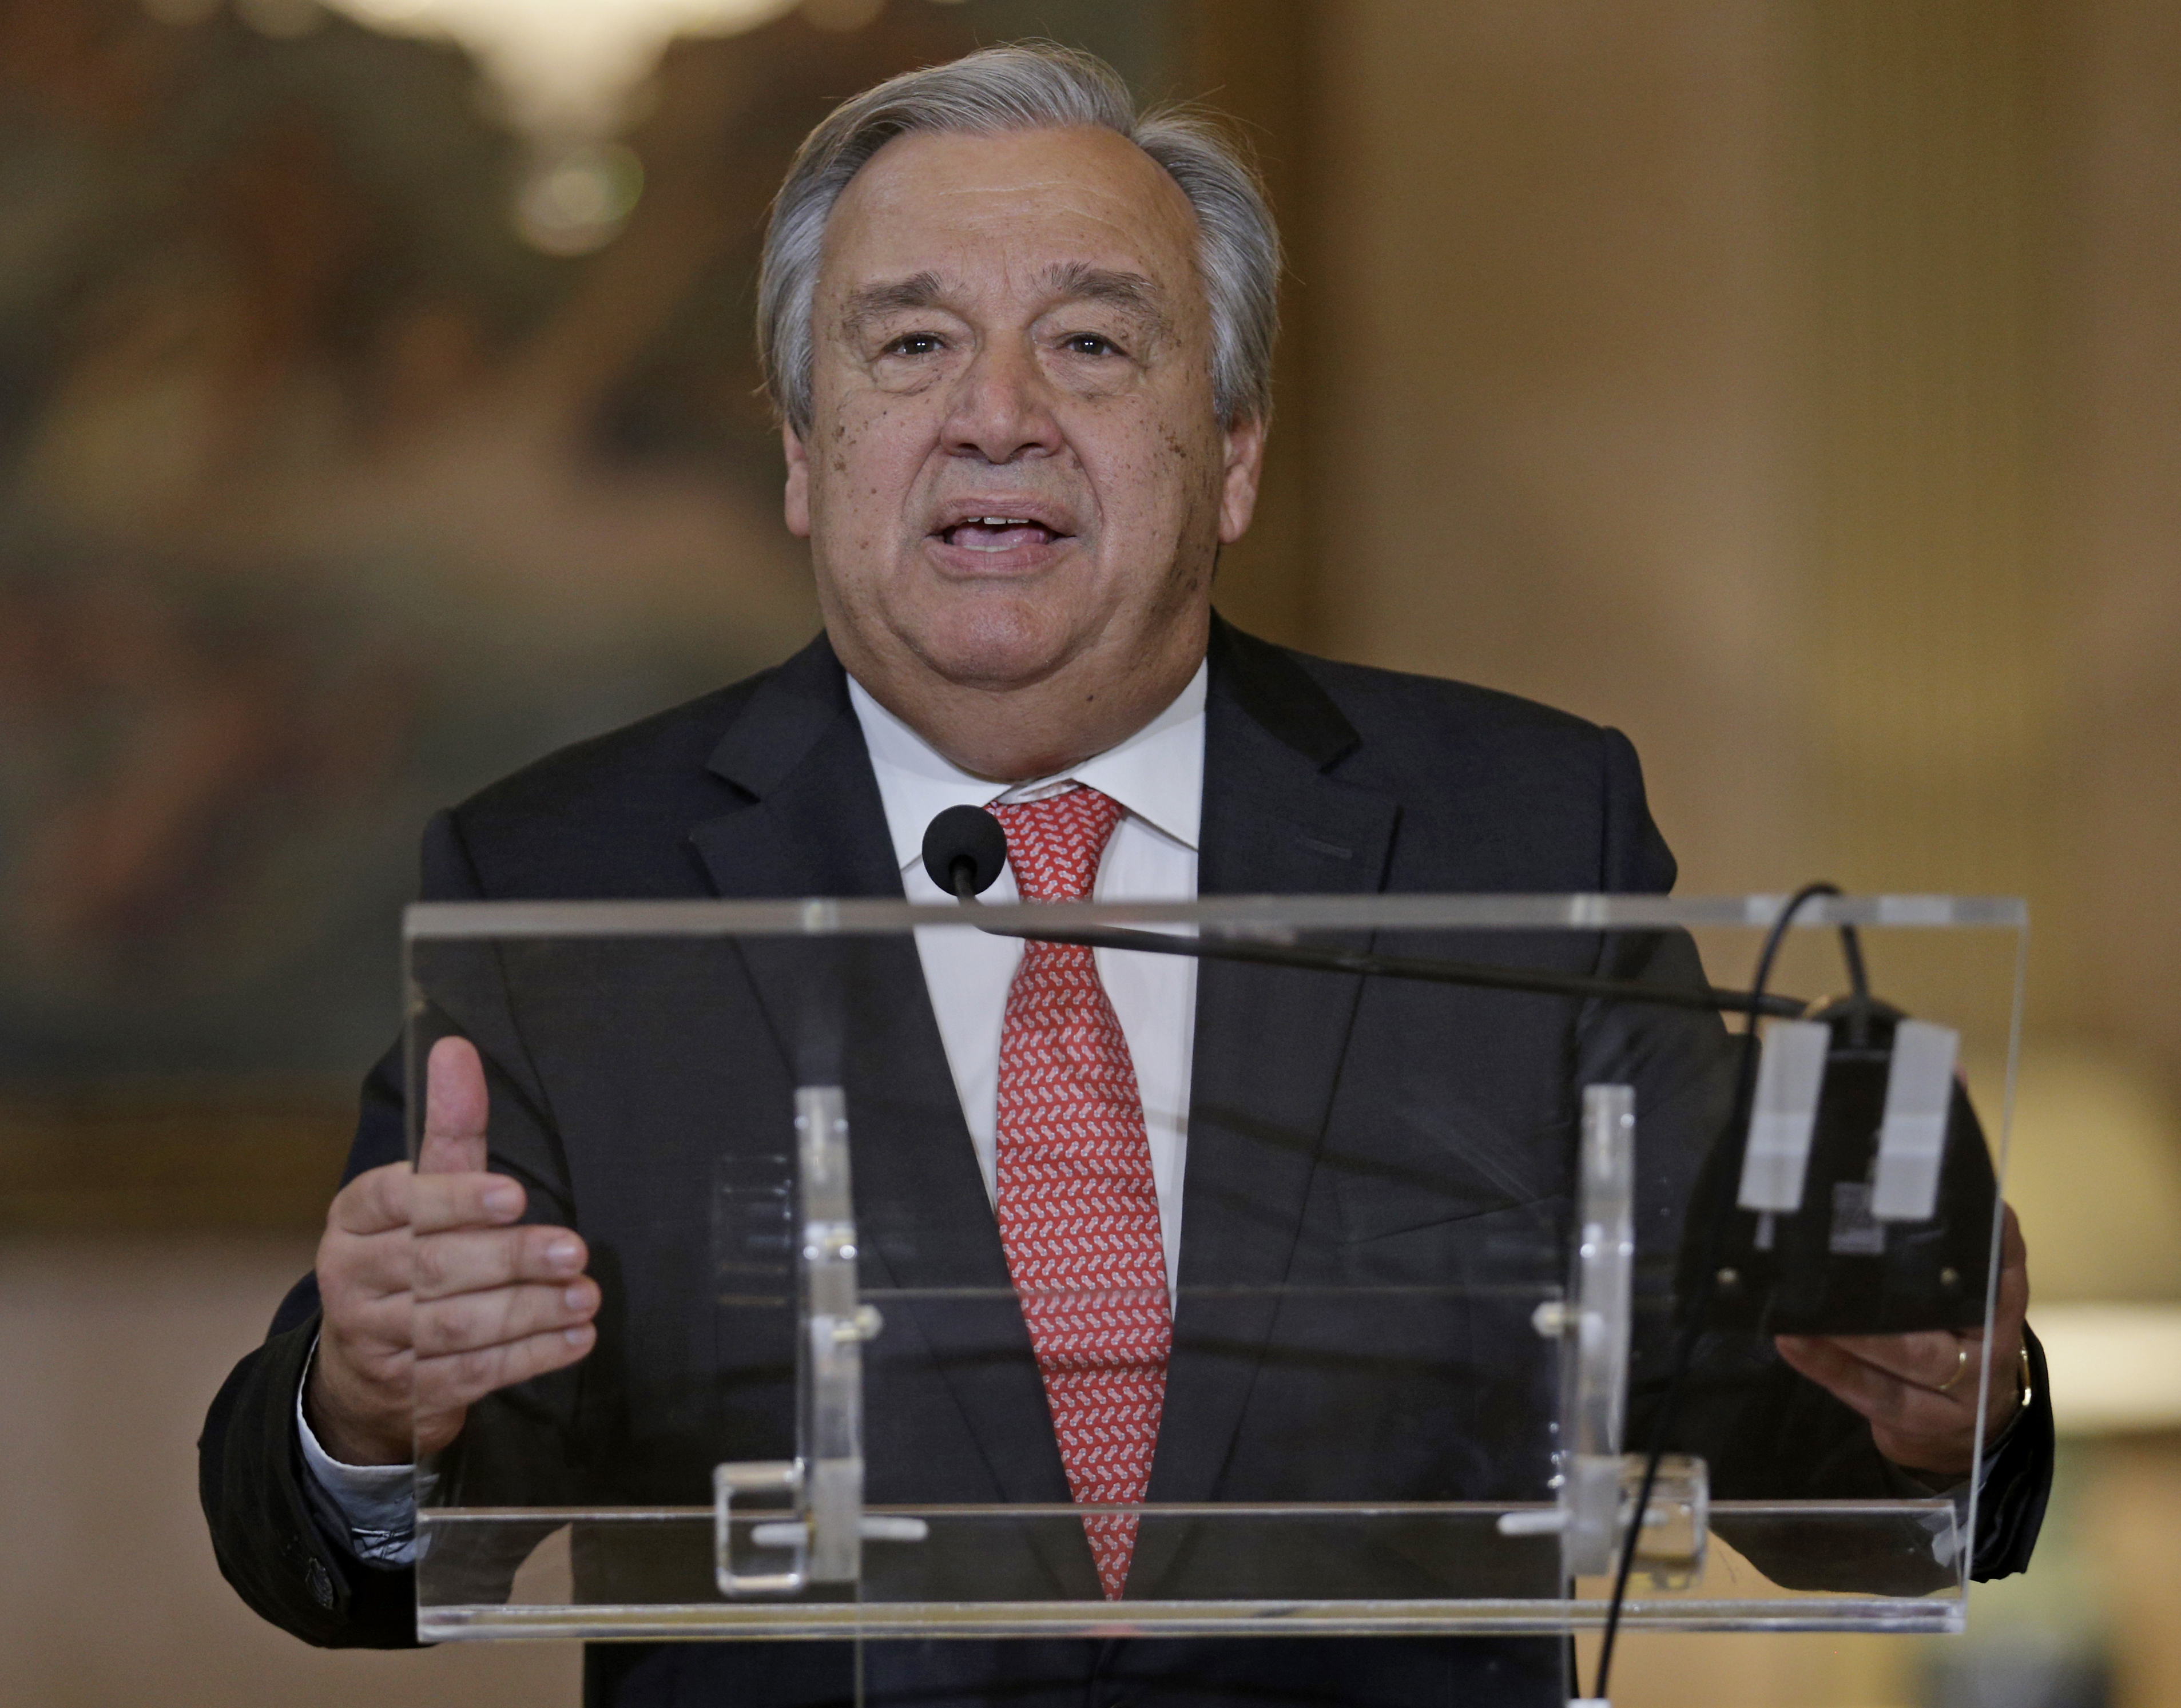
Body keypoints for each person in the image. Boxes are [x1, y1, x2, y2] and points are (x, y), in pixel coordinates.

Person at [201, 44, 2049, 1708]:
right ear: (799, 451)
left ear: (1232, 451)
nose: (995, 412)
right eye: (910, 343)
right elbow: (333, 1522)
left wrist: (1939, 1403)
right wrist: (368, 1406)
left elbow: (1770, 1429)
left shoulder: (1516, 828)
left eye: (1091, 341)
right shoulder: (568, 878)